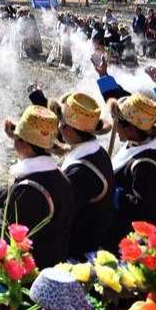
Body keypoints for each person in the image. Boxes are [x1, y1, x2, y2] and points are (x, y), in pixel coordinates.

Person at [0, 105, 73, 310]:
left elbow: (15, 241)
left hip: (23, 288)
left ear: (25, 145)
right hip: (48, 283)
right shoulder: (59, 177)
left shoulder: (30, 189)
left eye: (17, 139)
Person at [49, 92, 115, 261]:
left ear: (70, 129)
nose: (58, 128)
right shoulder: (97, 152)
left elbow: (60, 212)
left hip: (78, 251)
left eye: (61, 123)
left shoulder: (81, 173)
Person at [105, 93, 156, 254]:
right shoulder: (143, 144)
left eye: (118, 122)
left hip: (136, 237)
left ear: (132, 129)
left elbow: (142, 207)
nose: (116, 127)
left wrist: (114, 194)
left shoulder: (144, 165)